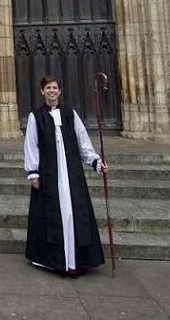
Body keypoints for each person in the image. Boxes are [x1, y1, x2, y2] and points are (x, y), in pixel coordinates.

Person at [24, 74, 108, 276]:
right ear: (42, 91)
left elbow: (82, 140)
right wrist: (33, 172)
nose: (52, 91)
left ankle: (77, 260)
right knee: (52, 213)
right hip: (49, 173)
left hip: (71, 172)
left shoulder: (70, 114)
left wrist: (95, 161)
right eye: (48, 88)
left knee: (74, 212)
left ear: (60, 91)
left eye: (55, 88)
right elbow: (31, 144)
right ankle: (54, 259)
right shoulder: (35, 116)